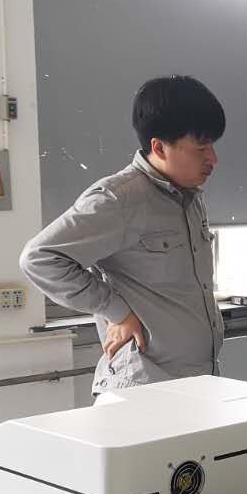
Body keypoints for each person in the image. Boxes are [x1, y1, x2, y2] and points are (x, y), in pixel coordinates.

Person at [20, 75, 225, 396]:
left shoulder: (189, 197)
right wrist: (116, 310)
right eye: (201, 148)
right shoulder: (121, 199)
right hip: (144, 385)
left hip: (196, 381)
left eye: (212, 146)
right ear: (159, 147)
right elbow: (40, 258)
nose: (213, 159)